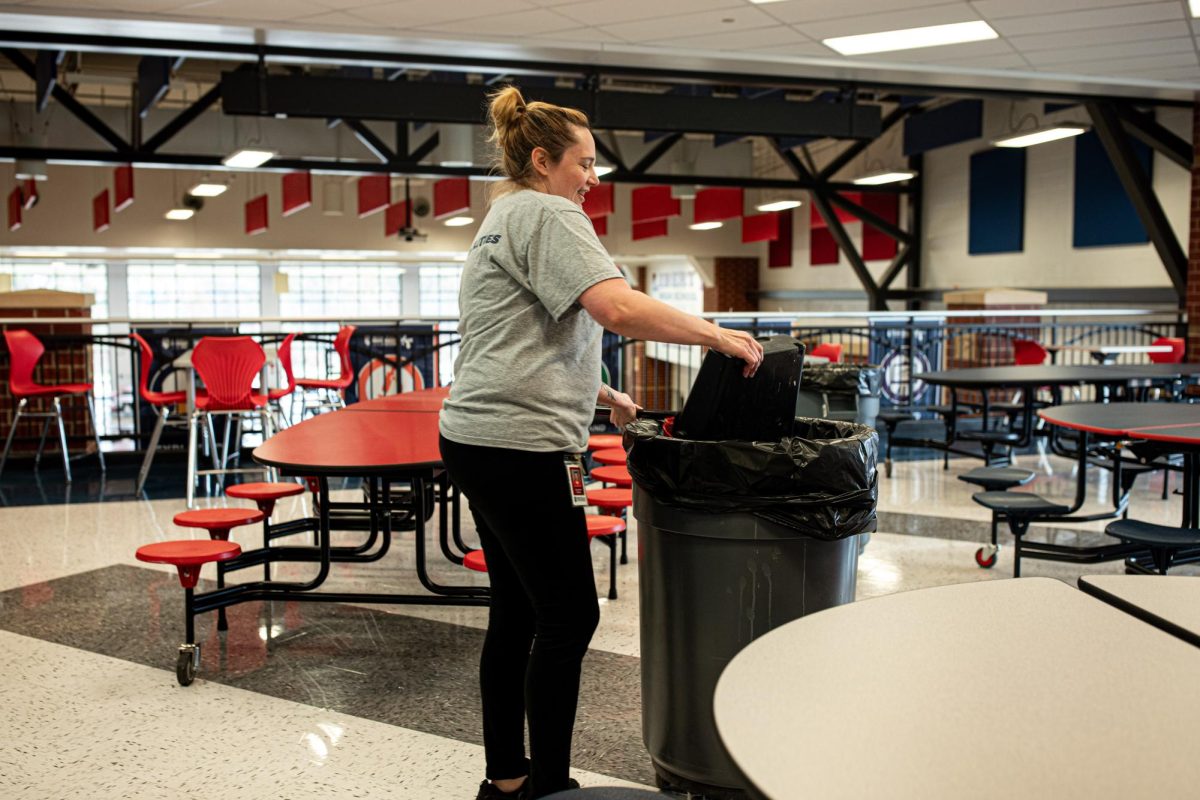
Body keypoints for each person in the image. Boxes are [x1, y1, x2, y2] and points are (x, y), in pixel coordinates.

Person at [438, 85, 764, 800]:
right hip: (517, 446)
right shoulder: (551, 213)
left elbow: (520, 336)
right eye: (584, 163)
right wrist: (713, 332)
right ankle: (547, 788)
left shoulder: (503, 216)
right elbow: (614, 307)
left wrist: (603, 394)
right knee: (569, 613)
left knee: (518, 611)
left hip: (476, 433)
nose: (593, 178)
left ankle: (507, 777)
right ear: (542, 159)